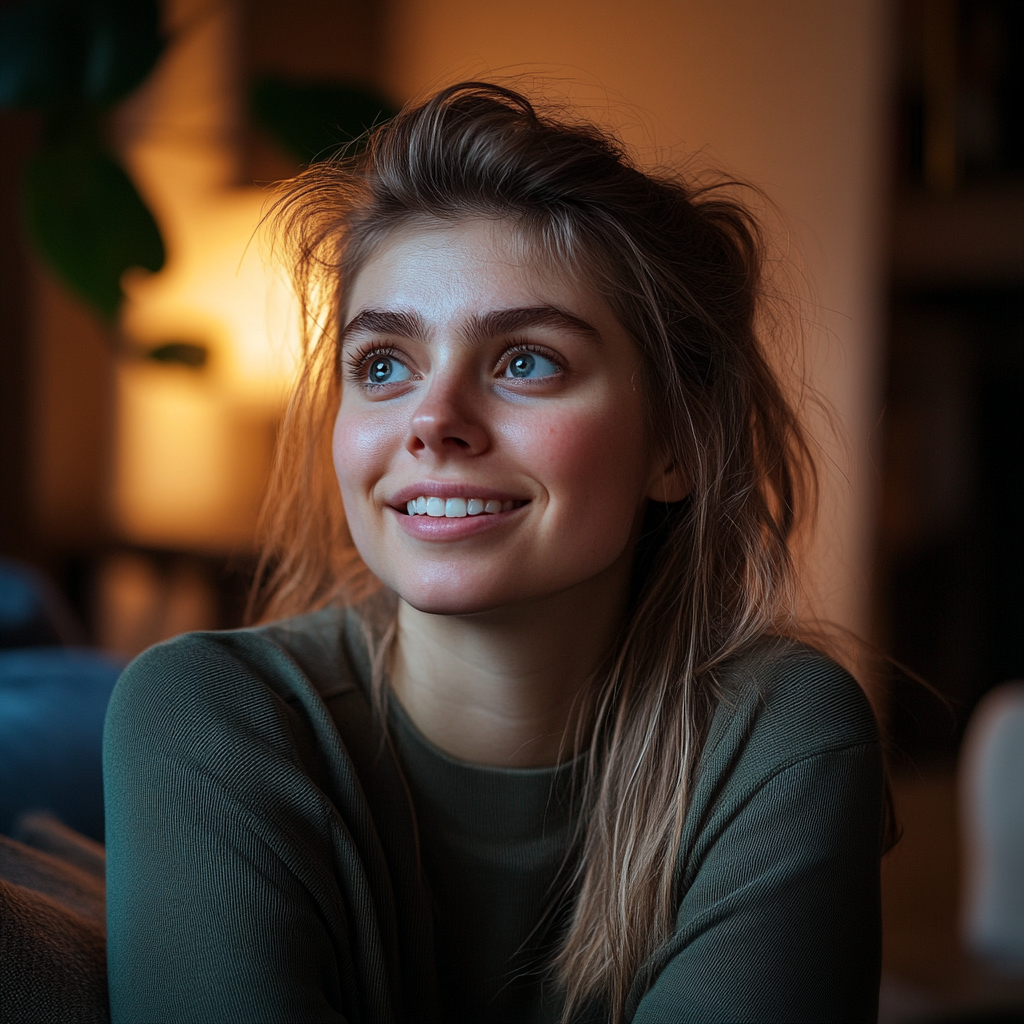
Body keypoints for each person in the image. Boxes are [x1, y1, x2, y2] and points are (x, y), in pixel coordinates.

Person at [103, 82, 885, 1024]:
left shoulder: (779, 739)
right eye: (384, 365)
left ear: (676, 443)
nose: (433, 422)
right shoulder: (203, 714)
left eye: (526, 361)